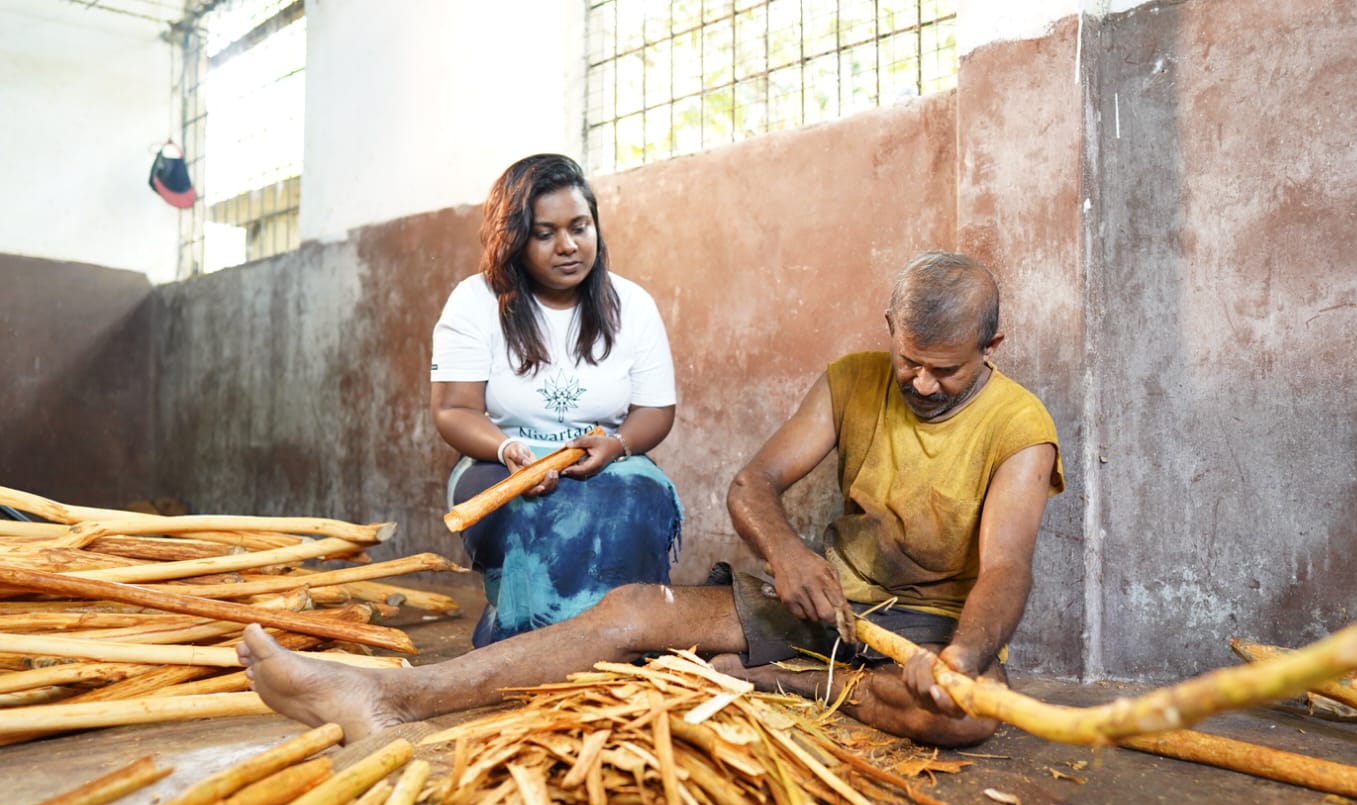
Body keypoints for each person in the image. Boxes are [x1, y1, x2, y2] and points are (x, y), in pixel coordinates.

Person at [241, 251, 1064, 747]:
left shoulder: (1020, 423)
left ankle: (783, 681)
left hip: (922, 625)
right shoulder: (853, 377)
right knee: (633, 608)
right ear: (890, 326)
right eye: (907, 358)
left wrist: (956, 660)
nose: (919, 381)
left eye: (944, 370)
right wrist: (787, 552)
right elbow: (754, 483)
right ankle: (385, 695)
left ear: (991, 346)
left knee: (967, 721)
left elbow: (1005, 569)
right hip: (823, 594)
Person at [431, 153, 681, 645]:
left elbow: (656, 410)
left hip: (602, 456)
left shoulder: (631, 304)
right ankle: (521, 636)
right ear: (514, 239)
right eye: (544, 234)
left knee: (643, 496)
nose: (567, 246)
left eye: (580, 227)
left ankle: (624, 636)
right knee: (511, 508)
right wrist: (507, 451)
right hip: (500, 457)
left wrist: (620, 445)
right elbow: (454, 410)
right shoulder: (474, 301)